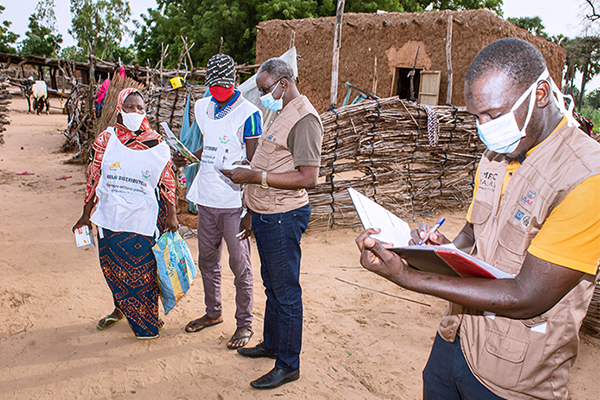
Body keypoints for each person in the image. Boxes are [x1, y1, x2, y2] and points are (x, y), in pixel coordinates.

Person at [356, 38, 600, 400]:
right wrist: (434, 249)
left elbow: (527, 296)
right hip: (455, 340)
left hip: (513, 373)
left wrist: (409, 276)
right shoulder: (496, 156)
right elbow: (471, 237)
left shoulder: (586, 178)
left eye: (495, 115)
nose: (484, 127)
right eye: (477, 116)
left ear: (542, 94)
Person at [222, 58, 324, 390]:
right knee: (272, 285)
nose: (263, 95)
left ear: (283, 83)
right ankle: (272, 344)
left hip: (284, 215)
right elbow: (272, 160)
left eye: (265, 89)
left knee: (286, 291)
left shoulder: (305, 119)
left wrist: (256, 176)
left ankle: (288, 364)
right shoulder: (281, 112)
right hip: (267, 212)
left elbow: (308, 176)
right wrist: (251, 193)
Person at [73, 88, 178, 339]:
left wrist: (172, 214)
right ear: (120, 108)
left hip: (142, 220)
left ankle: (145, 319)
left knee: (143, 274)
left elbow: (167, 180)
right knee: (113, 269)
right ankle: (120, 309)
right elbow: (93, 178)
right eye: (130, 107)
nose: (135, 112)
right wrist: (86, 213)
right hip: (110, 219)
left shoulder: (156, 143)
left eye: (140, 108)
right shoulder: (105, 141)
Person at [174, 53, 262, 349]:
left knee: (241, 266)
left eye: (224, 85)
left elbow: (254, 163)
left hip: (234, 205)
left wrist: (250, 210)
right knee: (208, 262)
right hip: (207, 200)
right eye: (214, 86)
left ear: (236, 82)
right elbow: (207, 149)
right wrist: (185, 156)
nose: (219, 91)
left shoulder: (249, 113)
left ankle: (245, 324)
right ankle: (213, 313)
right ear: (208, 84)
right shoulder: (202, 107)